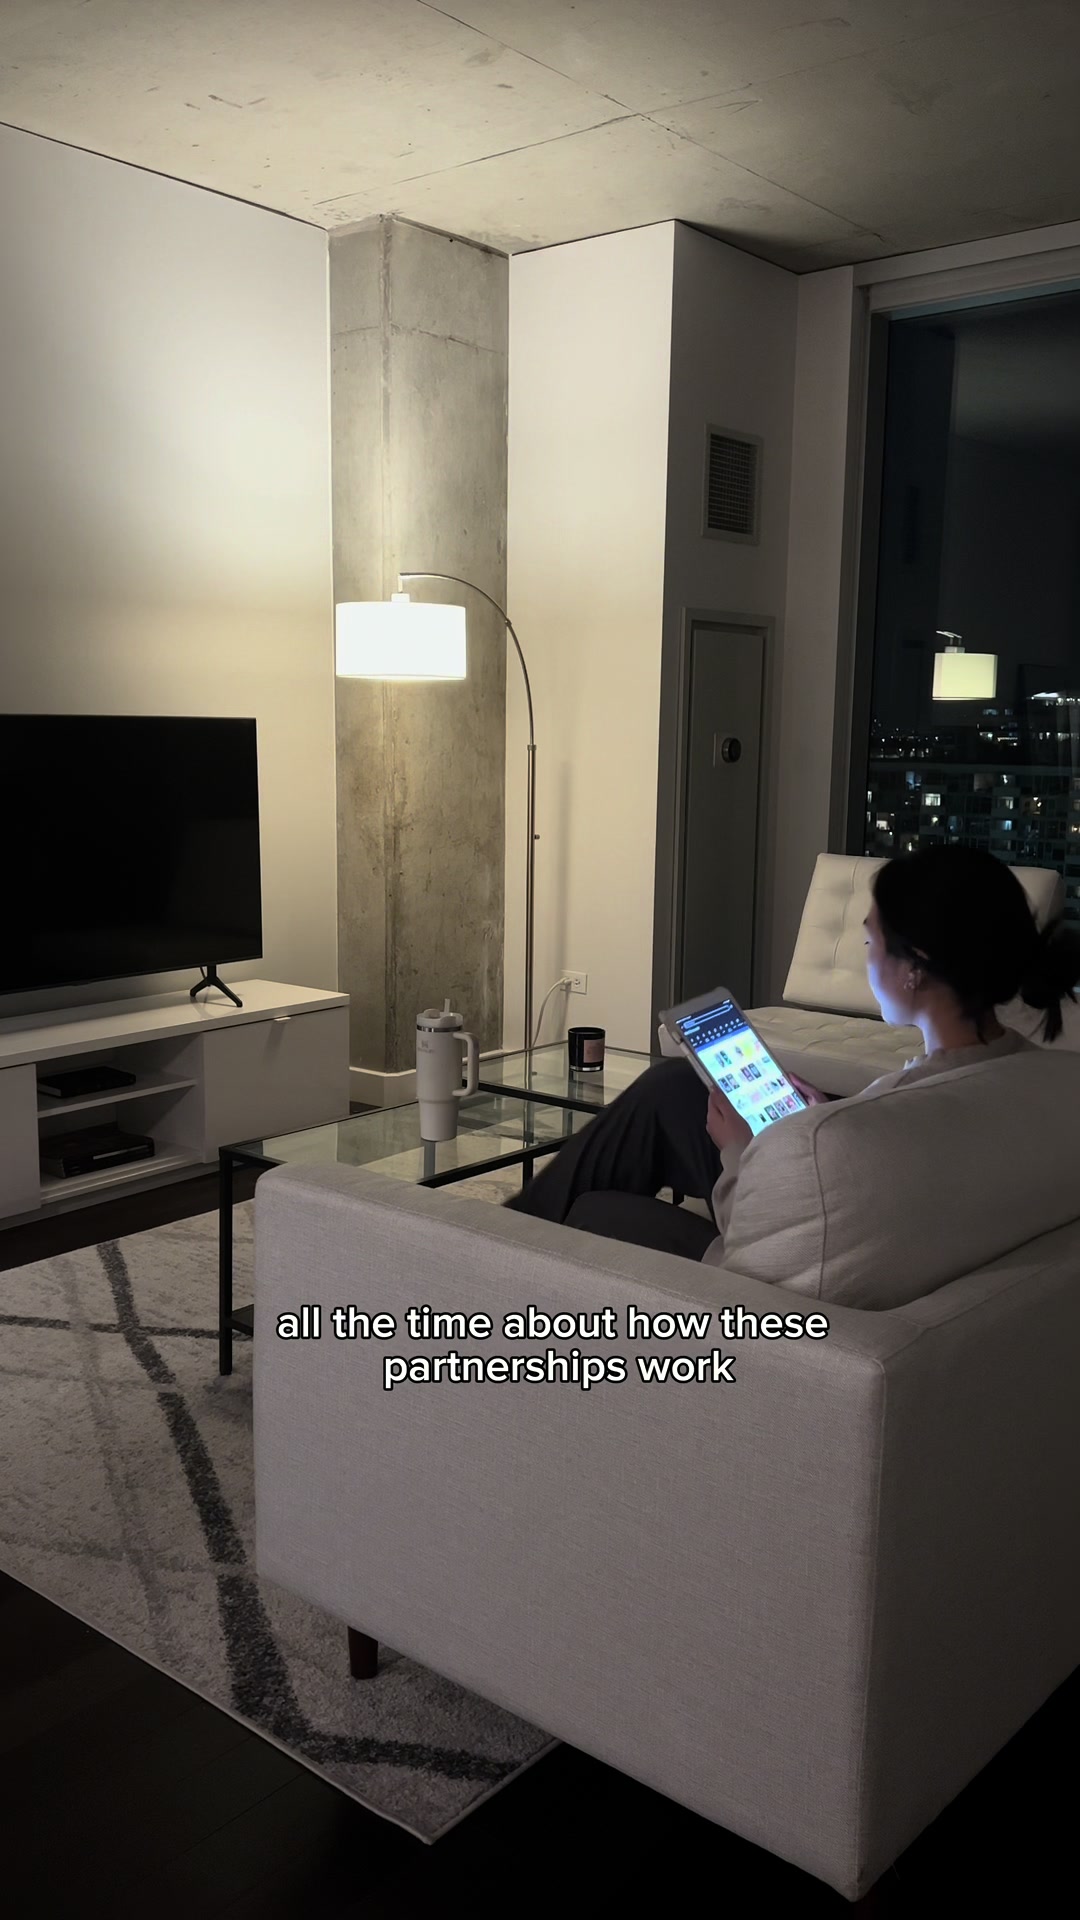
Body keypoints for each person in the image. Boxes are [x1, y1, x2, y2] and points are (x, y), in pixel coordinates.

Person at [504, 847, 1080, 1262]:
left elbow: (759, 1248)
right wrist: (825, 1114)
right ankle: (500, 1233)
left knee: (591, 1211)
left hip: (769, 1274)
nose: (865, 953)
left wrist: (739, 1151)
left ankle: (495, 1248)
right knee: (675, 1087)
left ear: (915, 968)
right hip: (843, 1190)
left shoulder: (876, 1131)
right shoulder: (1035, 1076)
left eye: (870, 940)